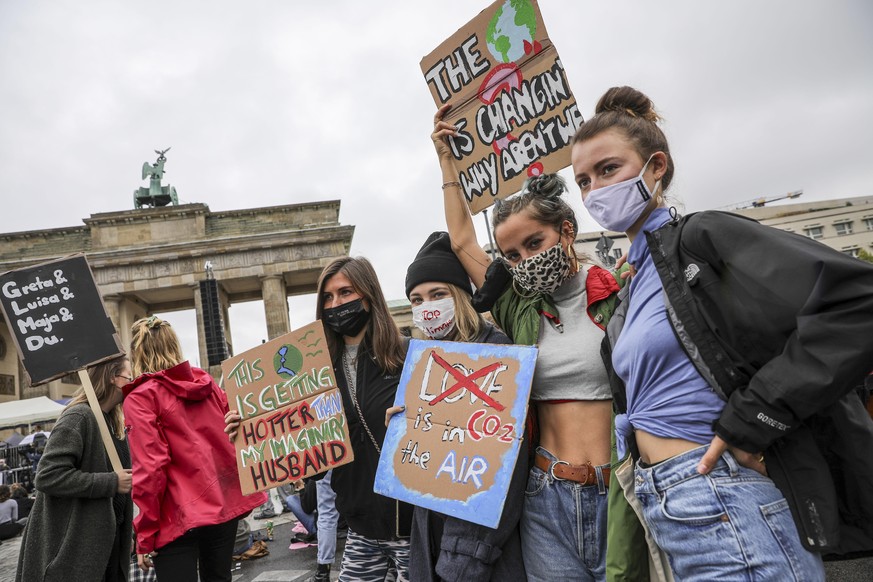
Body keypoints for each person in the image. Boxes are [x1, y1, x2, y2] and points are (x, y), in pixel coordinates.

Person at [570, 85, 873, 579]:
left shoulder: (701, 238)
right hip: (661, 503)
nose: (596, 192)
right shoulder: (632, 288)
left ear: (657, 167)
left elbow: (857, 299)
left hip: (724, 497)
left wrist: (754, 417)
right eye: (583, 181)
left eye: (609, 170)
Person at [431, 107, 646, 581]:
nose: (524, 260)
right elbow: (462, 237)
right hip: (545, 498)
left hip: (622, 493)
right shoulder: (516, 304)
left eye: (534, 242)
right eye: (511, 254)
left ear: (566, 230)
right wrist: (447, 160)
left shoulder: (622, 292)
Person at [226, 257, 413, 582]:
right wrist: (252, 434)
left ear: (368, 296)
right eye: (327, 297)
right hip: (360, 527)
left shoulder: (408, 356)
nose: (335, 304)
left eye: (345, 293)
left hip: (411, 526)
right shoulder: (317, 373)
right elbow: (320, 462)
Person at [386, 231, 527, 581]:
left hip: (480, 556)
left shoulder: (499, 354)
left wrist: (463, 562)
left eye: (438, 294)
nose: (426, 306)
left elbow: (504, 474)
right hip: (431, 537)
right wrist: (401, 430)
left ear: (461, 296)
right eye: (416, 299)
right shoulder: (420, 365)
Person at [123, 316, 267, 582]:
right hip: (222, 506)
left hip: (176, 517)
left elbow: (151, 470)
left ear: (137, 354)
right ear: (175, 346)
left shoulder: (140, 398)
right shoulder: (206, 383)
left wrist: (145, 534)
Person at [15, 355, 134, 582]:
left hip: (106, 547)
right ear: (112, 378)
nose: (133, 382)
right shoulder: (78, 417)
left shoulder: (111, 422)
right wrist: (110, 482)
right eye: (129, 376)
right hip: (73, 555)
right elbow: (48, 476)